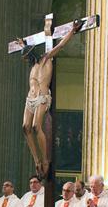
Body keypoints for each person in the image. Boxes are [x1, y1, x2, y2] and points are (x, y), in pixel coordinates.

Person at [17, 19, 83, 177]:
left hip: (42, 97)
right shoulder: (33, 67)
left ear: (31, 54)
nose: (26, 60)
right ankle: (36, 160)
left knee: (35, 127)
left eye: (26, 57)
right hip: (30, 98)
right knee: (25, 127)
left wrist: (72, 31)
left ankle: (45, 160)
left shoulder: (46, 58)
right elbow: (25, 49)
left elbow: (60, 45)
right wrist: (21, 44)